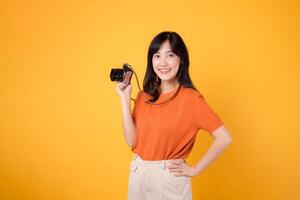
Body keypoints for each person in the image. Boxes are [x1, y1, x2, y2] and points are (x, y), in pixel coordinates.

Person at [116, 31, 232, 200]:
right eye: (157, 56)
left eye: (170, 55)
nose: (162, 63)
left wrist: (194, 170)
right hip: (138, 173)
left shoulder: (191, 99)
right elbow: (131, 141)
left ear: (181, 59)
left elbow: (224, 138)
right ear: (151, 61)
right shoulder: (144, 96)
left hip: (167, 179)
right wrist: (125, 99)